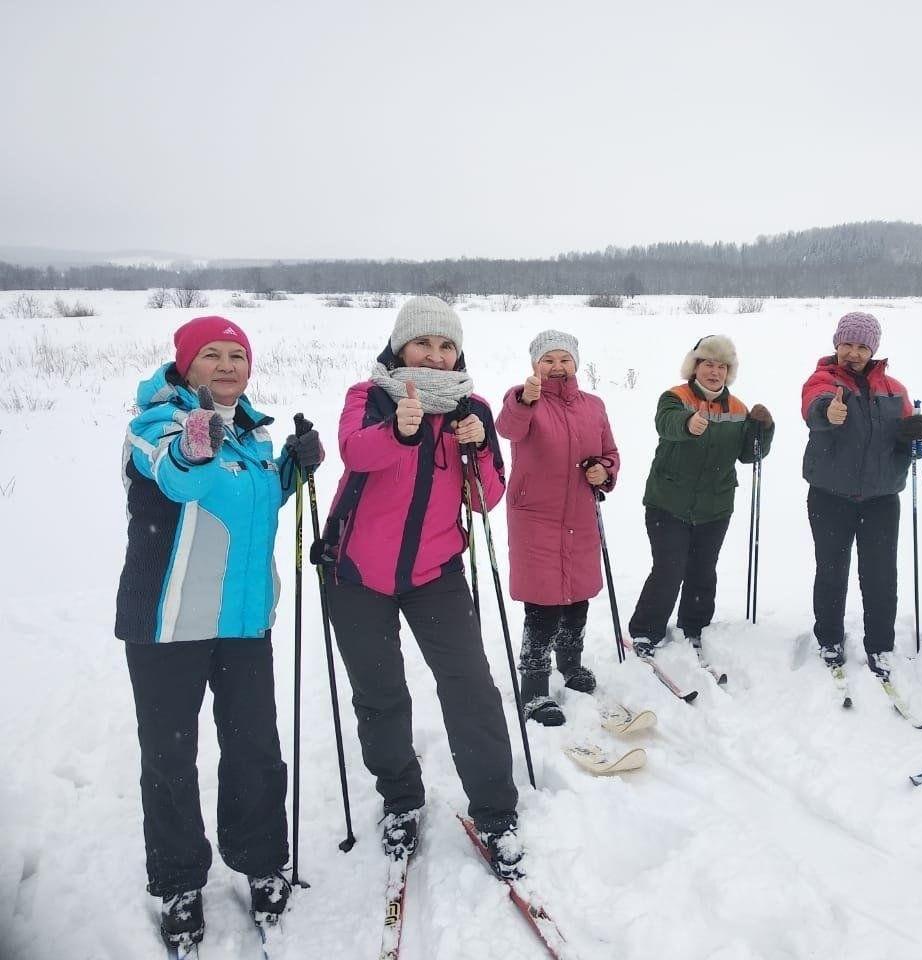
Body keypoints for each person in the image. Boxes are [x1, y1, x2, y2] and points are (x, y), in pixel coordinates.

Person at [115, 315, 323, 947]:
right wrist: (198, 437)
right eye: (212, 354)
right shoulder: (156, 426)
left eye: (238, 355)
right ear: (185, 364)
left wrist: (288, 469)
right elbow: (181, 475)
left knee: (256, 749)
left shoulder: (251, 434)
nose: (229, 365)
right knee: (171, 759)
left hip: (241, 626)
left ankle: (261, 861)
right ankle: (179, 881)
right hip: (168, 625)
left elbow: (250, 504)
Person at [319, 295, 522, 876]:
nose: (435, 357)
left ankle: (495, 812)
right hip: (356, 573)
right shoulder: (371, 397)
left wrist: (480, 445)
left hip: (436, 574)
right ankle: (401, 800)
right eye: (423, 344)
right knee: (380, 695)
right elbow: (355, 451)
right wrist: (400, 431)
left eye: (446, 346)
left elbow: (487, 498)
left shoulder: (472, 408)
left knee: (471, 689)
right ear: (399, 346)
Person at [800, 311, 922, 679]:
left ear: (873, 349)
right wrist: (829, 411)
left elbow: (912, 441)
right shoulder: (823, 380)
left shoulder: (894, 390)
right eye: (848, 344)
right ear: (836, 345)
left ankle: (880, 645)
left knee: (880, 575)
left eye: (862, 346)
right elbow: (814, 406)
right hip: (830, 496)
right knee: (831, 571)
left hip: (881, 498)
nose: (854, 353)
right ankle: (828, 638)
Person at [496, 330, 620, 726]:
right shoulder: (524, 399)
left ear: (576, 364)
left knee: (577, 599)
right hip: (536, 518)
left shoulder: (594, 406)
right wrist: (524, 400)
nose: (556, 367)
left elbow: (609, 453)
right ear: (535, 366)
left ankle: (571, 665)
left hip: (580, 517)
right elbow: (508, 428)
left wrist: (605, 471)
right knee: (543, 604)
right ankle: (533, 689)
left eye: (564, 359)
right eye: (547, 360)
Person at [628, 334, 774, 655]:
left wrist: (764, 429)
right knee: (669, 569)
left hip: (715, 506)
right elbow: (665, 423)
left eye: (722, 366)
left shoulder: (737, 409)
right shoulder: (675, 397)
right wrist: (688, 423)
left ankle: (694, 627)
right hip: (667, 503)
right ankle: (645, 631)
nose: (715, 371)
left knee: (703, 570)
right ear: (694, 366)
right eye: (708, 363)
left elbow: (751, 454)